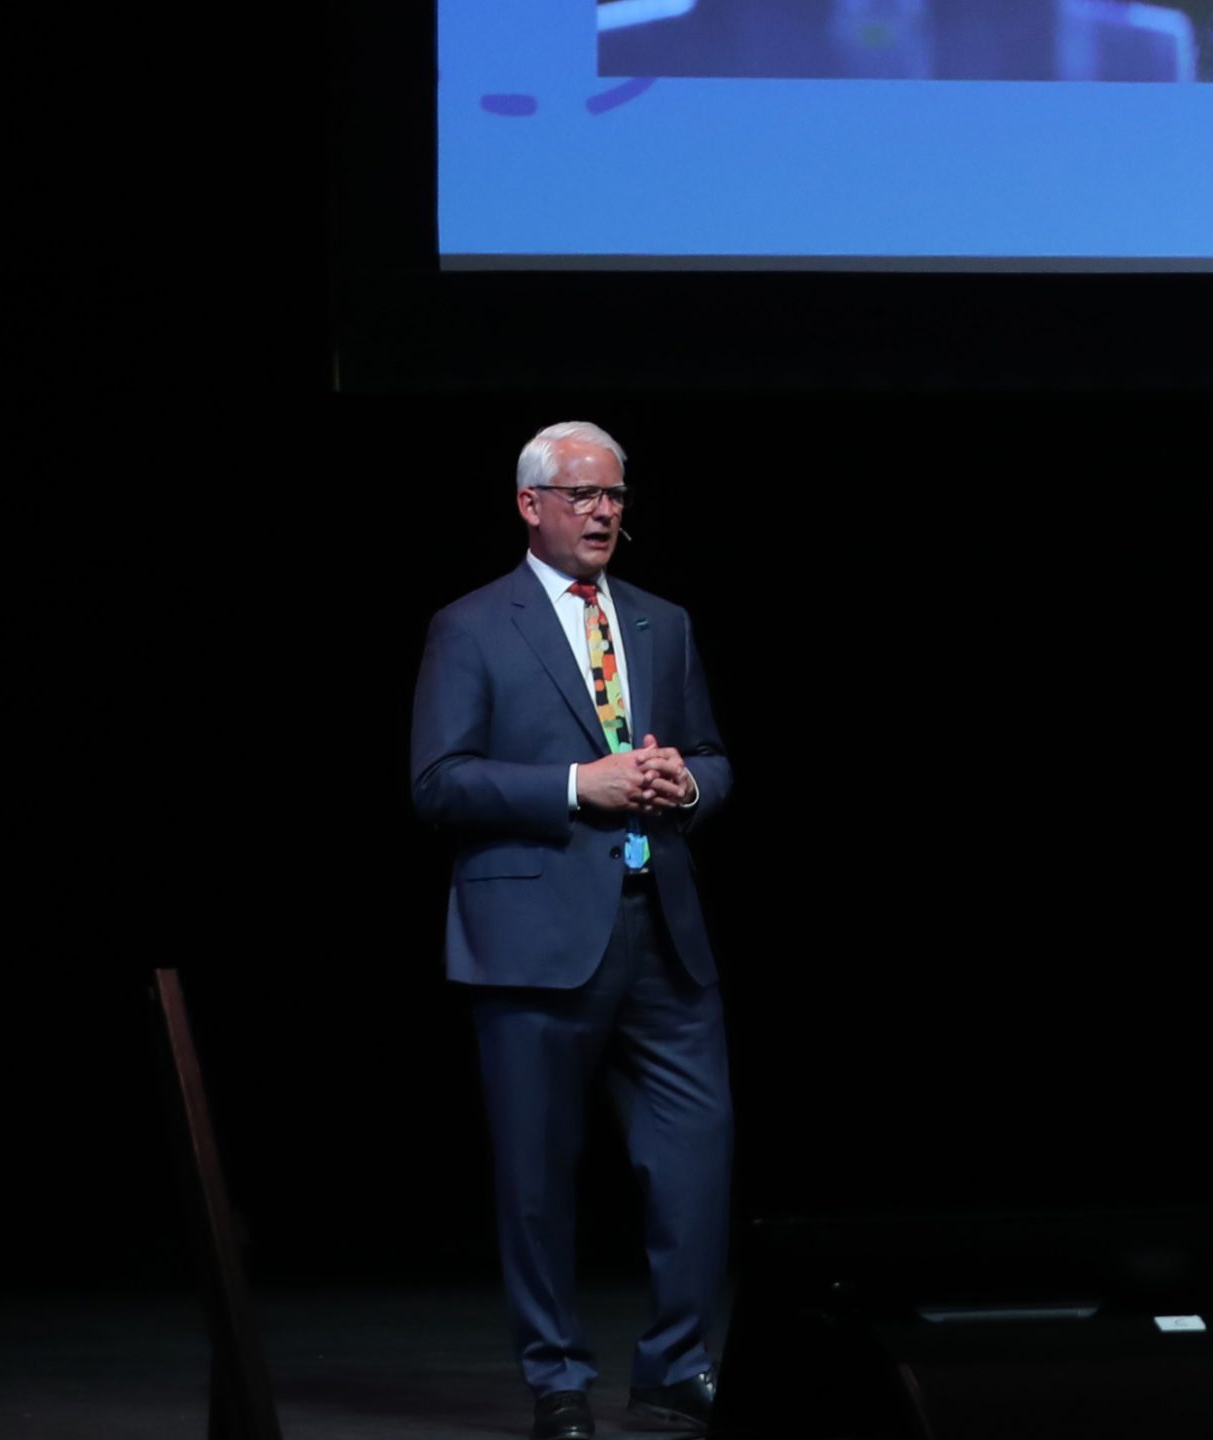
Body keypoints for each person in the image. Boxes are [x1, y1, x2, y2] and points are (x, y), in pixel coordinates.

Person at [411, 421, 733, 1440]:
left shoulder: (661, 623)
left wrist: (688, 784)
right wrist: (573, 785)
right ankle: (556, 1378)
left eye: (616, 497)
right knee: (539, 1180)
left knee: (694, 1164)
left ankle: (677, 1367)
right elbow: (438, 784)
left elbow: (717, 758)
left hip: (662, 933)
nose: (604, 513)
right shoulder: (471, 626)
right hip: (533, 939)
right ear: (530, 505)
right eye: (585, 496)